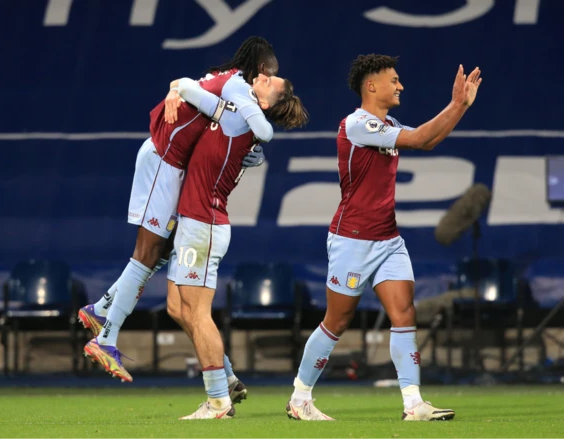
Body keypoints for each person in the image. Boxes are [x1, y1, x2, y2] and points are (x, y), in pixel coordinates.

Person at [285, 54, 482, 421]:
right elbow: (422, 139)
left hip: (388, 239)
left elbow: (430, 140)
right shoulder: (357, 124)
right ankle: (300, 399)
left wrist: (461, 108)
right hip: (352, 240)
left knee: (404, 312)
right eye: (394, 80)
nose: (400, 85)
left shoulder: (388, 123)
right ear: (371, 86)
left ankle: (413, 404)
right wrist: (456, 104)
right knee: (336, 322)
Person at [77, 37, 277, 387]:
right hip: (164, 162)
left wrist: (181, 91)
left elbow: (197, 93)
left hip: (173, 168)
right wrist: (179, 90)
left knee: (162, 256)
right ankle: (106, 336)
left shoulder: (229, 86)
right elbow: (190, 87)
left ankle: (103, 309)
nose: (273, 80)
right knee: (148, 254)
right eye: (272, 75)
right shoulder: (237, 87)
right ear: (260, 71)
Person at [172, 73, 309, 420]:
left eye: (268, 81)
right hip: (196, 222)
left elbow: (188, 87)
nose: (260, 76)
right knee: (177, 308)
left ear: (263, 103)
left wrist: (220, 86)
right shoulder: (236, 115)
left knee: (198, 314)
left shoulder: (237, 117)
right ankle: (228, 377)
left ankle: (218, 401)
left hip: (203, 225)